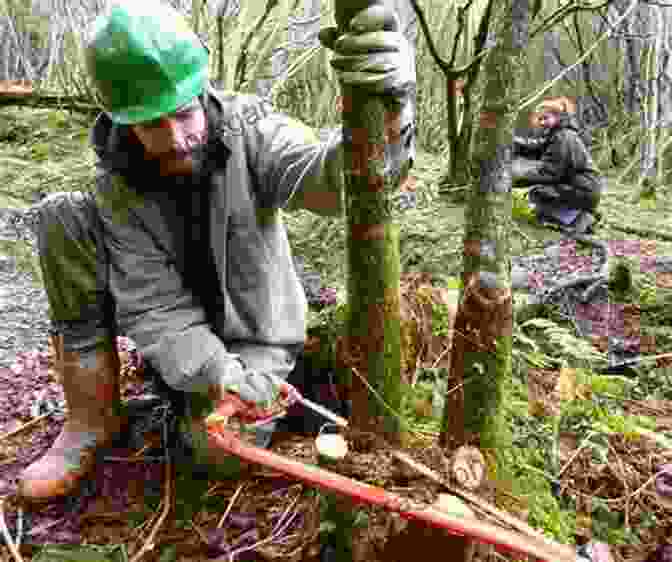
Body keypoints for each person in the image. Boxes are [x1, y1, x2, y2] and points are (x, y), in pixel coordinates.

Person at [17, 0, 415, 503]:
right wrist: (217, 378)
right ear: (121, 121)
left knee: (216, 456)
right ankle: (89, 420)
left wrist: (389, 108)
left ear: (201, 89)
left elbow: (332, 183)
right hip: (192, 353)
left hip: (255, 341)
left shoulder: (252, 132)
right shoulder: (117, 188)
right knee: (62, 217)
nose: (177, 139)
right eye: (152, 125)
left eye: (184, 114)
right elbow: (154, 306)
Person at [512, 98, 603, 234]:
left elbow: (549, 173)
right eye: (540, 119)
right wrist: (512, 143)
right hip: (583, 189)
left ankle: (580, 219)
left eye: (546, 118)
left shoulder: (563, 137)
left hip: (582, 190)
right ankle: (580, 216)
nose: (542, 122)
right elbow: (534, 148)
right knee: (539, 201)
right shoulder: (558, 135)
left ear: (557, 117)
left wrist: (513, 180)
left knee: (539, 195)